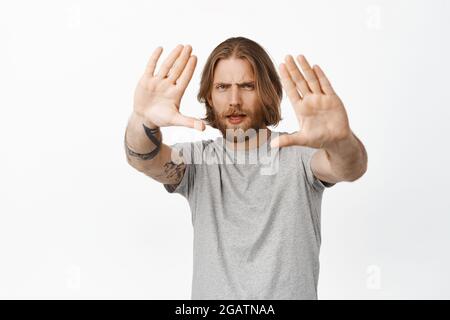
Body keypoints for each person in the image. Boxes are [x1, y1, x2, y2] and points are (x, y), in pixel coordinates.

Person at [124, 37, 368, 299]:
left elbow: (350, 167)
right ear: (208, 95)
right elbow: (143, 158)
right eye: (222, 87)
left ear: (269, 92)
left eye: (247, 86)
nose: (234, 100)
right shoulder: (197, 161)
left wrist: (341, 140)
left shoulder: (300, 156)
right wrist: (142, 121)